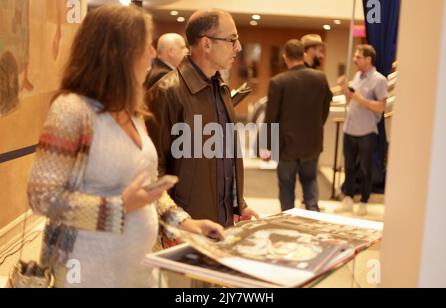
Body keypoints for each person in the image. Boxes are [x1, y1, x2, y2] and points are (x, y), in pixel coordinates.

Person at [27, 5, 224, 288]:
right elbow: (42, 197)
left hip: (137, 268)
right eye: (146, 46)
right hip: (86, 270)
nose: (153, 54)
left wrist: (185, 223)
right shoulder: (72, 111)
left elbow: (147, 189)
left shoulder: (133, 112)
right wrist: (118, 208)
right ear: (118, 52)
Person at [145, 9, 259, 228]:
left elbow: (226, 156)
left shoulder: (221, 89)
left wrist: (238, 204)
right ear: (206, 44)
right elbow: (154, 170)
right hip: (186, 227)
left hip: (221, 223)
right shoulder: (167, 92)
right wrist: (175, 223)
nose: (238, 47)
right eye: (232, 40)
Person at [262, 40, 332, 212]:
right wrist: (317, 126)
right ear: (303, 55)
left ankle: (287, 221)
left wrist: (267, 146)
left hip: (287, 147)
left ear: (286, 57)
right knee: (310, 181)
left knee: (286, 187)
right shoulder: (320, 77)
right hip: (312, 144)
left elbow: (271, 117)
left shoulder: (278, 82)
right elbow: (325, 107)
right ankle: (313, 215)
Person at [338, 44, 388, 216]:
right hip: (350, 128)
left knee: (366, 169)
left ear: (368, 59)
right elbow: (352, 99)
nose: (355, 59)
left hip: (367, 131)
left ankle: (364, 201)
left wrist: (360, 99)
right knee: (349, 167)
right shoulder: (357, 76)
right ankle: (348, 198)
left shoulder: (379, 79)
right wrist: (345, 89)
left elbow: (381, 106)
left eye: (358, 57)